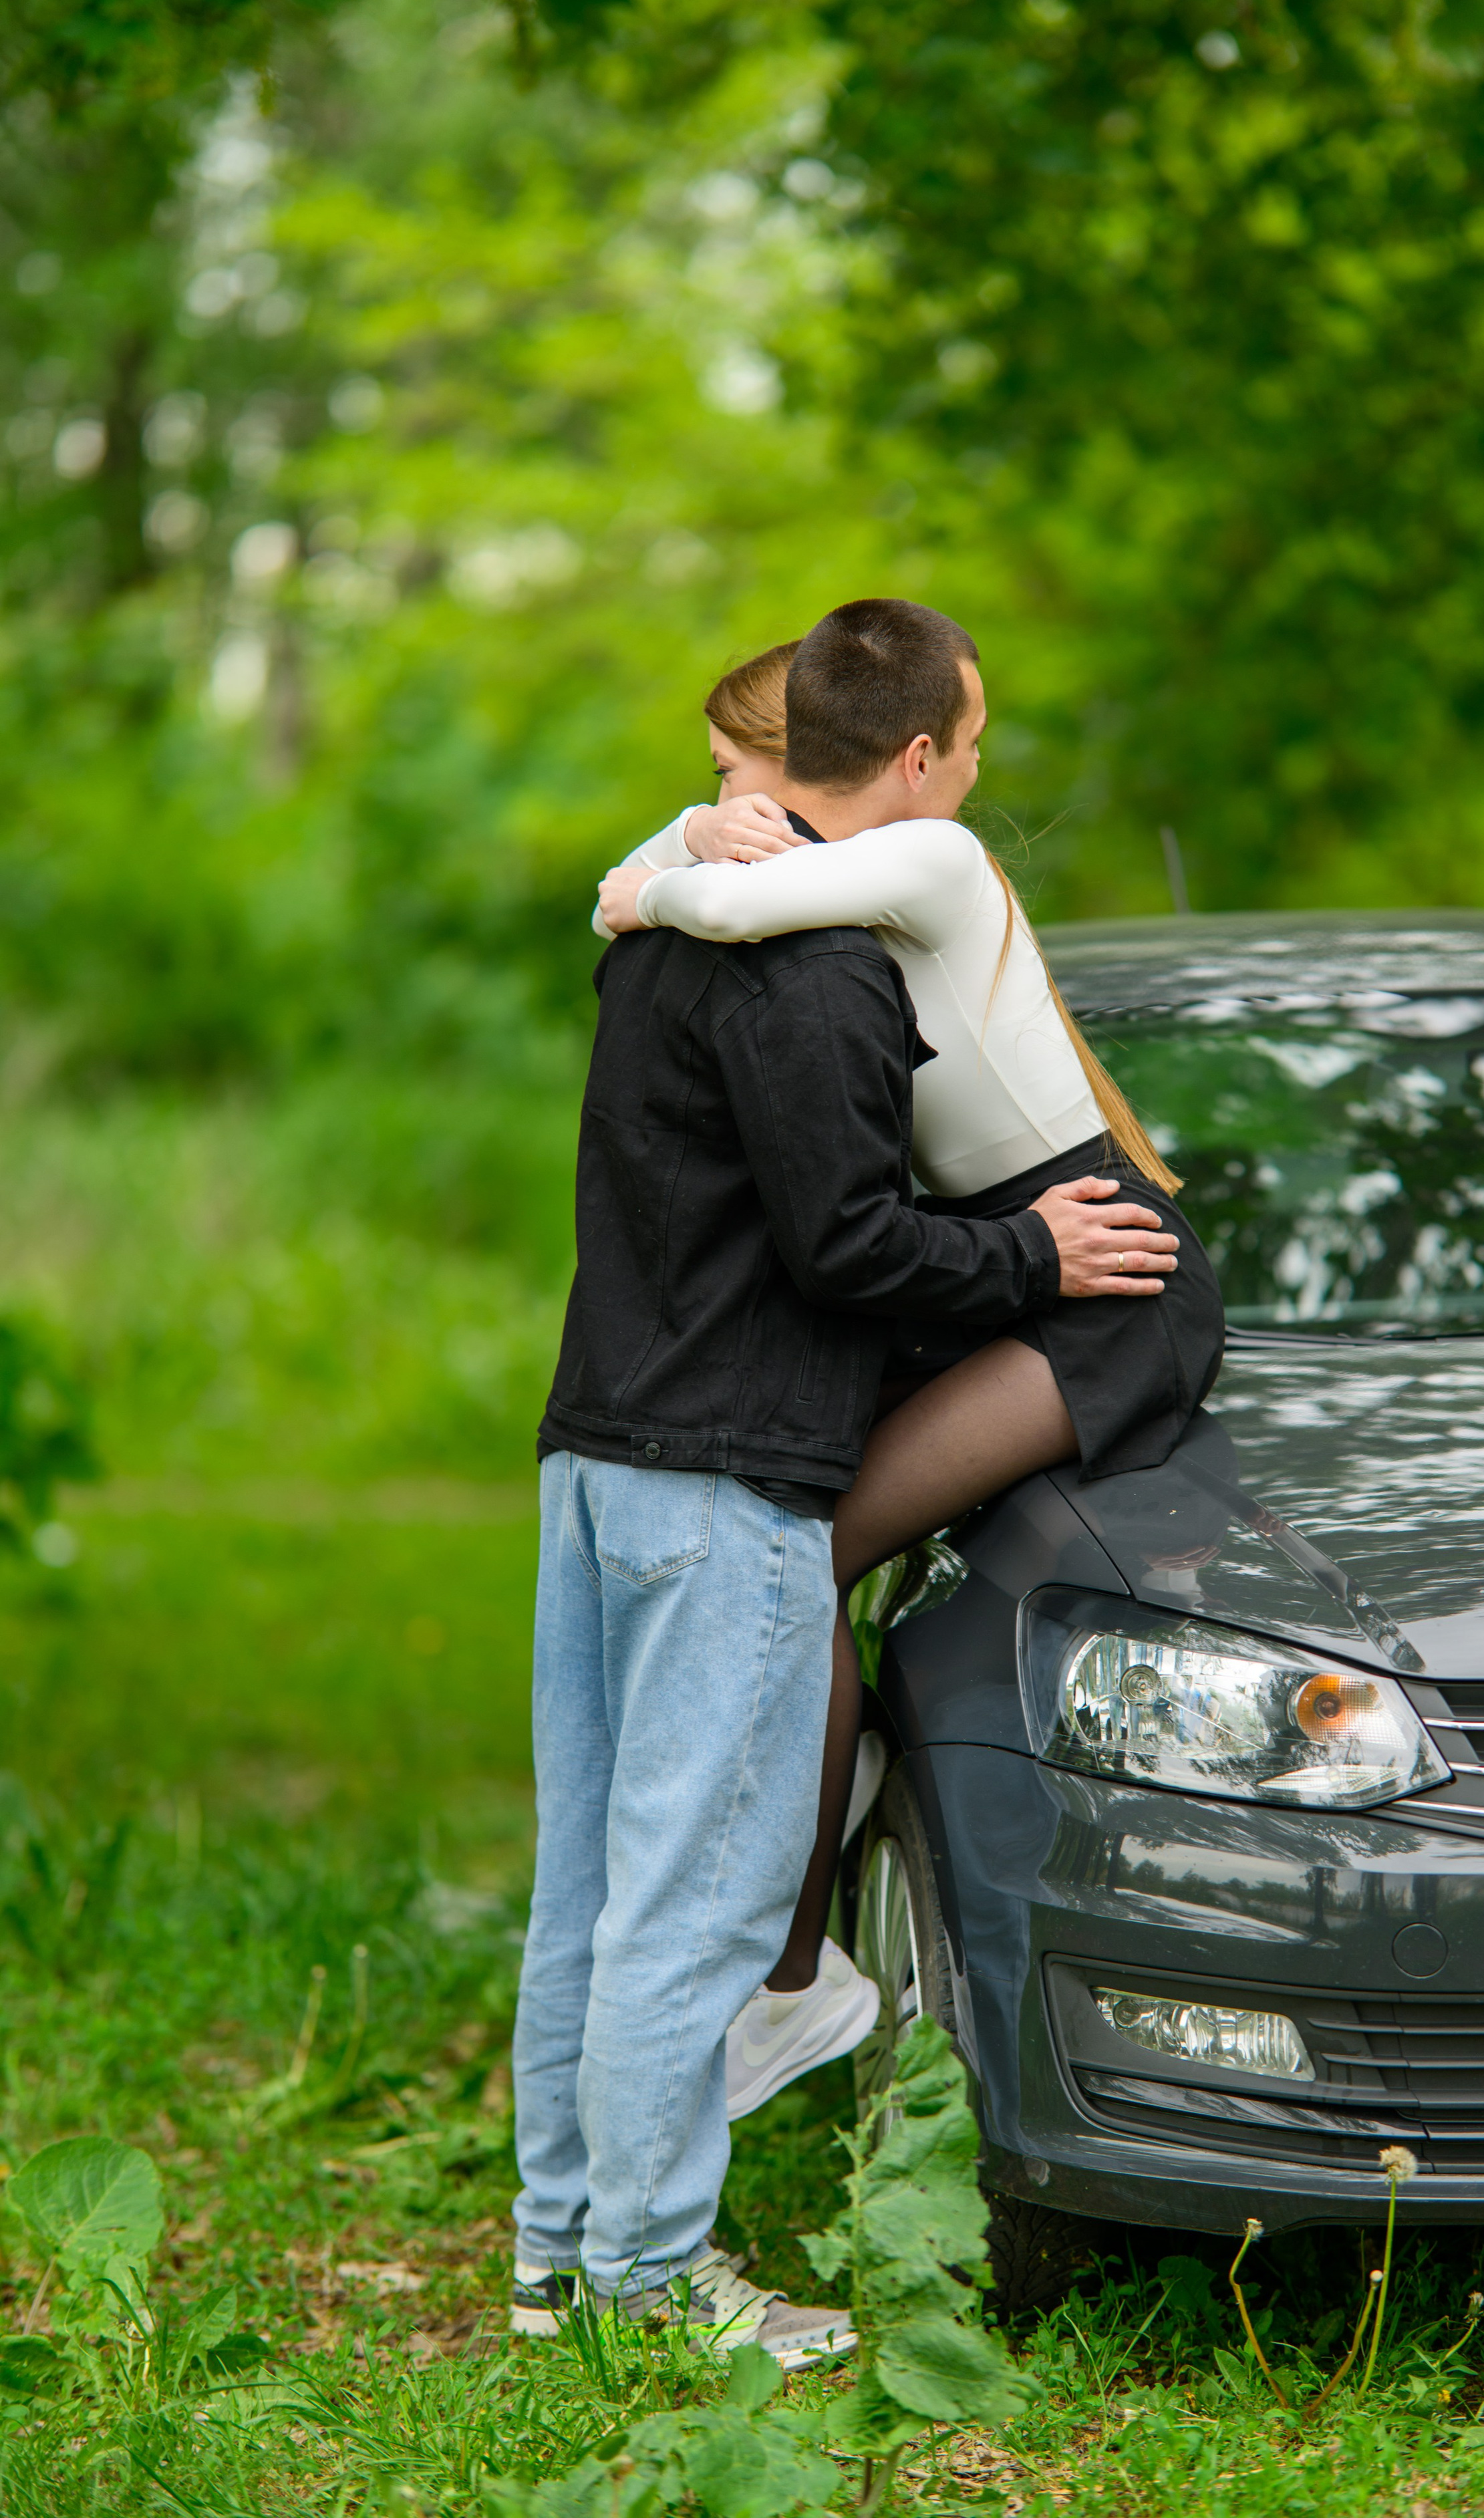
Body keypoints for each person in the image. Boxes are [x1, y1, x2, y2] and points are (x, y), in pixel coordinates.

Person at [512, 599, 1177, 2358]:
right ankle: (648, 2290)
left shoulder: (658, 939)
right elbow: (849, 1248)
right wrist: (1037, 1263)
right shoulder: (817, 974)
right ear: (917, 756)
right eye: (968, 749)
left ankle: (556, 2258)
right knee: (693, 1893)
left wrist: (666, 854)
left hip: (598, 1454)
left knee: (591, 1880)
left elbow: (662, 905)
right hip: (718, 1473)